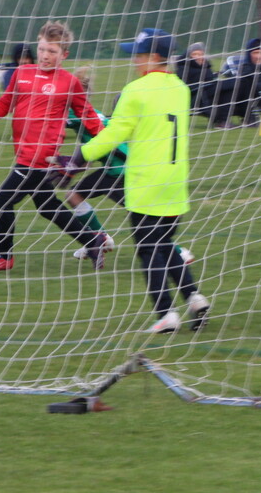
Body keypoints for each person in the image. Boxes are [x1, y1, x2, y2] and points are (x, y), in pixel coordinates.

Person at [71, 29, 210, 334]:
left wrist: (81, 155)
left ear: (155, 57)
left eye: (139, 54)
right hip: (176, 181)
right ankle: (195, 298)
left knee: (148, 249)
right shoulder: (180, 88)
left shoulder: (135, 90)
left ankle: (166, 314)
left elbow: (114, 133)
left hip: (147, 182)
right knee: (165, 243)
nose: (134, 59)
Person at [0, 21, 110, 274]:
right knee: (47, 206)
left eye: (52, 51)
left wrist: (109, 143)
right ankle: (93, 241)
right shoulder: (22, 73)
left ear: (64, 54)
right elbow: (4, 103)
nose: (45, 55)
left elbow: (89, 116)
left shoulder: (69, 83)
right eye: (42, 49)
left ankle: (4, 256)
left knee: (2, 202)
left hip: (40, 158)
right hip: (24, 154)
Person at [60, 67, 194, 266]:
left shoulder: (75, 113)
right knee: (74, 195)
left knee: (144, 217)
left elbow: (53, 122)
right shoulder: (91, 113)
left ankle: (178, 252)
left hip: (119, 171)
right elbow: (94, 150)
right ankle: (98, 238)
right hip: (114, 169)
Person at [210, 38, 261, 128]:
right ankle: (236, 119)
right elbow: (252, 84)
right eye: (256, 53)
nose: (259, 56)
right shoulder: (246, 69)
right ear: (249, 55)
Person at [174, 42, 217, 114]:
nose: (198, 57)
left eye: (201, 54)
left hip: (208, 93)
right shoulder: (183, 68)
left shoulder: (206, 67)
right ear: (188, 55)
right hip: (192, 97)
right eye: (194, 54)